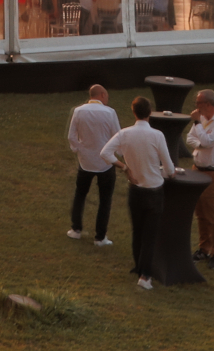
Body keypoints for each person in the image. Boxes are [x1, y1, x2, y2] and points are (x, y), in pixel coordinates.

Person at [102, 96, 178, 290]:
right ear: (150, 112)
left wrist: (124, 167)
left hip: (135, 190)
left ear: (133, 111)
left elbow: (105, 153)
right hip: (154, 190)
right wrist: (168, 172)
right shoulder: (157, 135)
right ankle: (145, 276)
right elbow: (169, 169)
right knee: (150, 235)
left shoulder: (124, 134)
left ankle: (138, 266)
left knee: (138, 231)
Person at [67, 84, 121, 246]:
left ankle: (76, 229)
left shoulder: (78, 111)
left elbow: (72, 136)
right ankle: (100, 237)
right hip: (105, 162)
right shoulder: (110, 113)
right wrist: (120, 155)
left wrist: (79, 150)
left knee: (80, 194)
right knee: (105, 199)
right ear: (102, 95)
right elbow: (118, 136)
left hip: (85, 161)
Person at [185, 89, 214, 266]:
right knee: (200, 212)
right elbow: (190, 139)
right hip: (197, 169)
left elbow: (206, 142)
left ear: (208, 104)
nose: (196, 107)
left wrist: (198, 126)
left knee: (211, 213)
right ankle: (204, 248)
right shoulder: (202, 119)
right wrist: (201, 141)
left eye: (198, 104)